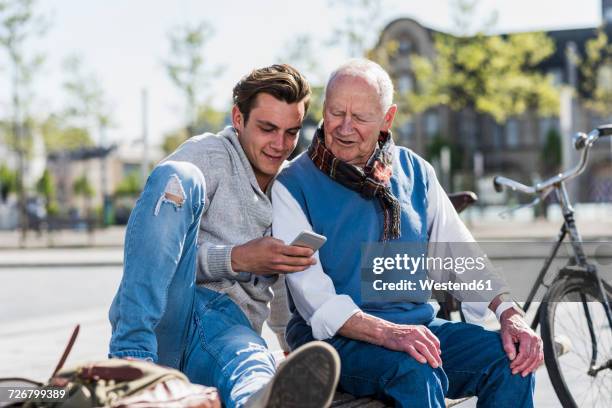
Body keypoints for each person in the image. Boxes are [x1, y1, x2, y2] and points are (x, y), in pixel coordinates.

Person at [271, 59, 543, 408]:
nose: (344, 127)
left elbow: (460, 254)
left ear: (387, 118)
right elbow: (315, 301)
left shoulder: (416, 171)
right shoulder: (293, 185)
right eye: (336, 112)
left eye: (361, 117)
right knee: (416, 368)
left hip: (416, 330)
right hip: (332, 344)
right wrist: (390, 334)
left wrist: (510, 312)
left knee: (511, 360)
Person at [108, 64, 340, 408]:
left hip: (229, 329)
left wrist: (287, 341)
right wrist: (237, 258)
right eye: (267, 128)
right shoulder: (208, 155)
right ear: (238, 118)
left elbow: (281, 281)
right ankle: (130, 362)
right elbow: (154, 242)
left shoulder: (289, 185)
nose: (280, 145)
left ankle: (258, 399)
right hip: (173, 313)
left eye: (291, 133)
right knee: (176, 176)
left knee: (251, 360)